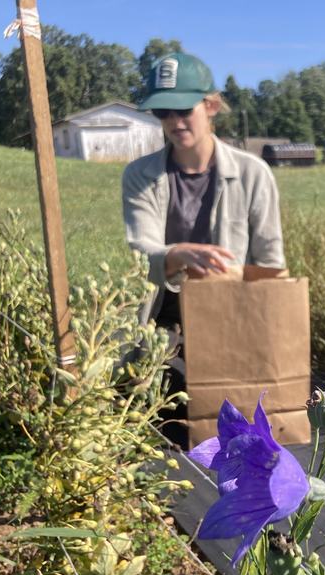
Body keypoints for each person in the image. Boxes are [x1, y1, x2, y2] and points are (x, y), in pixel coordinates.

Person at [122, 52, 286, 447]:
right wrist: (178, 254)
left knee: (229, 425)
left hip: (229, 310)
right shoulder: (139, 175)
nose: (175, 122)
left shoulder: (252, 174)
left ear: (210, 106)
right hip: (163, 310)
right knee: (152, 421)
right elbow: (140, 250)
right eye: (163, 111)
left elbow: (270, 264)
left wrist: (230, 280)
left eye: (183, 109)